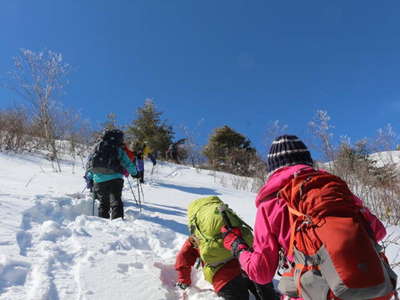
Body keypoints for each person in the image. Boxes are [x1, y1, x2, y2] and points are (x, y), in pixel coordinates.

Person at [220, 135, 395, 300]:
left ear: (273, 169)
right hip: (372, 288)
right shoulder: (335, 190)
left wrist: (239, 248)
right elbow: (378, 231)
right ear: (308, 162)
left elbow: (262, 273)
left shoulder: (270, 203)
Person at [175, 196, 279, 300]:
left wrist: (183, 280)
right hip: (248, 265)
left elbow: (183, 257)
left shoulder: (198, 238)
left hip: (224, 277)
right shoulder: (231, 223)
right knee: (268, 295)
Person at [86, 129, 138, 220]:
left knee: (103, 203)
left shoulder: (96, 147)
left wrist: (89, 177)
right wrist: (135, 173)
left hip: (98, 179)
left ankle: (103, 224)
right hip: (115, 178)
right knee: (116, 201)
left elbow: (90, 164)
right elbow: (128, 163)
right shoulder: (118, 149)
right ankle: (117, 223)